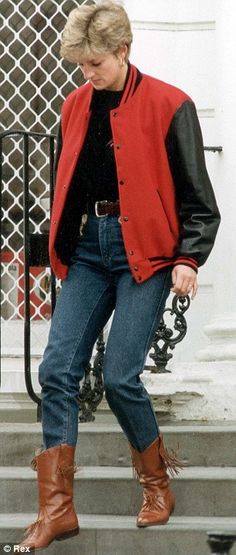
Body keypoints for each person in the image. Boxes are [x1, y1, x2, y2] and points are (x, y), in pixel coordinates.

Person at [19, 0, 220, 550]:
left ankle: (156, 483)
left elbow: (200, 201)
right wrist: (54, 243)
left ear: (124, 50)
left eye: (96, 65)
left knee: (119, 378)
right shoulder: (74, 105)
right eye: (81, 66)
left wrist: (188, 258)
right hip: (88, 251)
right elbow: (68, 183)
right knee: (57, 371)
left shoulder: (171, 103)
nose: (87, 76)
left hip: (146, 257)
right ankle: (56, 509)